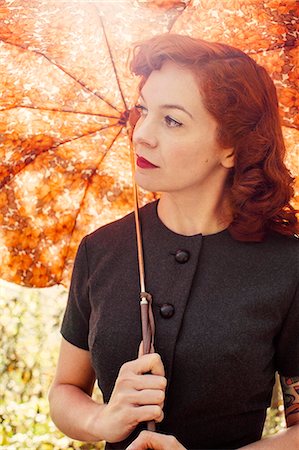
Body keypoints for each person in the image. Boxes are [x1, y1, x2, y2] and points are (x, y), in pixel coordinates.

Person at [48, 33, 299, 449]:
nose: (141, 135)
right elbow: (65, 390)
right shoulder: (101, 249)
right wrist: (101, 419)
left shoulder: (287, 268)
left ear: (233, 149)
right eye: (143, 110)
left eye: (172, 120)